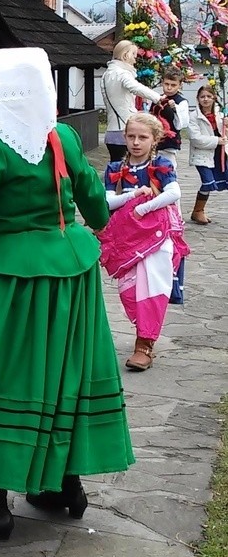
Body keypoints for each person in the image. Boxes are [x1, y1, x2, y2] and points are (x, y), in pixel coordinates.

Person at [0, 48, 133, 543]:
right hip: (71, 279)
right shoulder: (61, 137)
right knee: (61, 378)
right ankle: (63, 483)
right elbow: (97, 209)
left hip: (9, 285)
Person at [101, 113, 188, 372]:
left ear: (155, 140)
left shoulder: (161, 164)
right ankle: (143, 331)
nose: (136, 142)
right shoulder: (116, 168)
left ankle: (144, 344)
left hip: (156, 237)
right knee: (129, 289)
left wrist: (145, 207)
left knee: (151, 286)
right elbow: (106, 202)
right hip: (128, 239)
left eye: (143, 137)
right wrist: (134, 196)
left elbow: (174, 192)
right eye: (131, 136)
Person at [100, 40, 162, 157]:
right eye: (134, 55)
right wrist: (158, 98)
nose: (135, 59)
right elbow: (135, 87)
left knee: (116, 169)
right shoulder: (122, 73)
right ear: (126, 55)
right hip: (125, 129)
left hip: (111, 131)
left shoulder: (106, 74)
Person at [188, 83, 227, 223]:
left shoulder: (220, 114)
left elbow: (225, 135)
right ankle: (198, 210)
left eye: (209, 96)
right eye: (202, 96)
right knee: (208, 182)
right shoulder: (194, 116)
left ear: (214, 98)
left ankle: (198, 211)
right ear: (198, 99)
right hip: (202, 155)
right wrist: (217, 140)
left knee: (221, 180)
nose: (205, 99)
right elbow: (196, 139)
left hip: (220, 154)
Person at [154, 69, 190, 170]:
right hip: (154, 140)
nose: (169, 88)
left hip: (169, 141)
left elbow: (182, 123)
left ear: (180, 85)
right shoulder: (157, 99)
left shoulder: (181, 102)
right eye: (166, 84)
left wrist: (175, 109)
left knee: (168, 167)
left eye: (173, 85)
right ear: (162, 82)